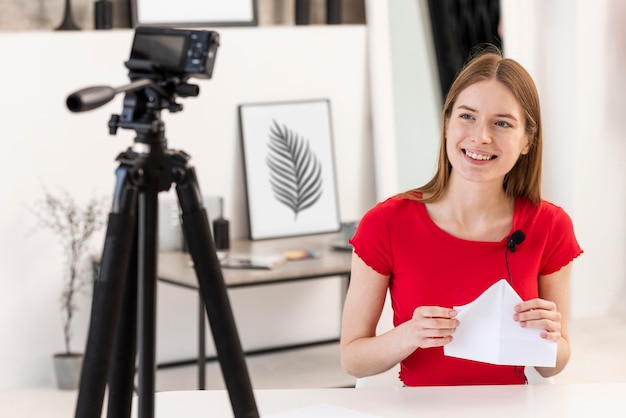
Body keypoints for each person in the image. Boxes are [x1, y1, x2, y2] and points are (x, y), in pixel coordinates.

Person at [340, 45, 583, 386]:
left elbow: (553, 365)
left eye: (502, 123)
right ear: (446, 124)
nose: (480, 137)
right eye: (467, 116)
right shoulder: (386, 223)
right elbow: (352, 359)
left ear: (527, 140)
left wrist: (549, 337)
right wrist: (409, 335)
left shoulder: (550, 226)